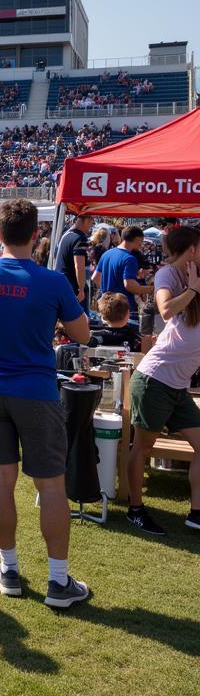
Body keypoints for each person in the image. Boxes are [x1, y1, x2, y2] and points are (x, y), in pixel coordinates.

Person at [0, 198, 92, 608]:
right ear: (36, 235)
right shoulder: (51, 281)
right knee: (50, 485)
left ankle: (9, 570)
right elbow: (82, 334)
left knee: (0, 481)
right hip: (36, 391)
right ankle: (57, 582)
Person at [124, 225, 200, 536]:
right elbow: (166, 310)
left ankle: (197, 512)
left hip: (178, 386)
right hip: (155, 380)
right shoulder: (169, 275)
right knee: (142, 447)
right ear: (192, 249)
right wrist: (194, 288)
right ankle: (135, 509)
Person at [93, 225, 153, 317]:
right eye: (141, 241)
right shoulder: (129, 258)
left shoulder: (107, 254)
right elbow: (130, 285)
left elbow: (95, 278)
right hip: (123, 309)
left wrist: (109, 291)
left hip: (106, 306)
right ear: (137, 239)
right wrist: (151, 289)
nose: (141, 244)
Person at [55, 213, 93, 313]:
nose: (90, 226)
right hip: (73, 287)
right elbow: (79, 265)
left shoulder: (66, 235)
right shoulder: (81, 238)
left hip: (61, 283)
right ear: (86, 221)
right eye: (90, 223)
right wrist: (80, 289)